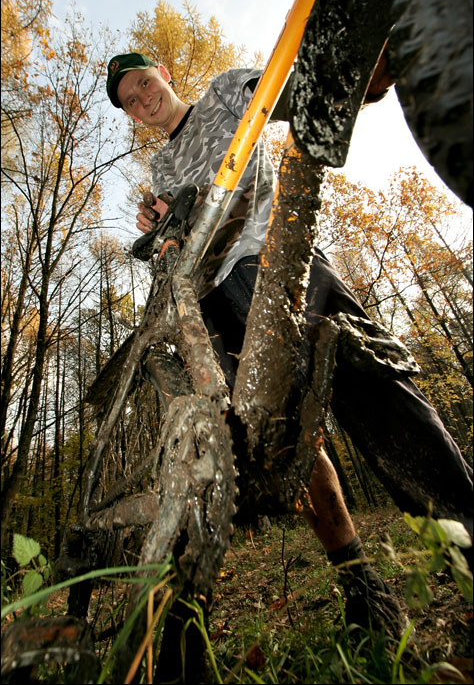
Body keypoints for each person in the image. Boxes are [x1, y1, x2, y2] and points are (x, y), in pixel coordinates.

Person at [106, 53, 473, 638]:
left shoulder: (225, 94)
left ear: (165, 76)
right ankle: (361, 583)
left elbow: (283, 89)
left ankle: (464, 539)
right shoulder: (161, 165)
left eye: (144, 83)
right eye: (129, 99)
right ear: (129, 113)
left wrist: (354, 72)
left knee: (370, 390)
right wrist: (163, 233)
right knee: (277, 439)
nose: (142, 99)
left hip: (280, 259)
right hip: (216, 305)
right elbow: (175, 240)